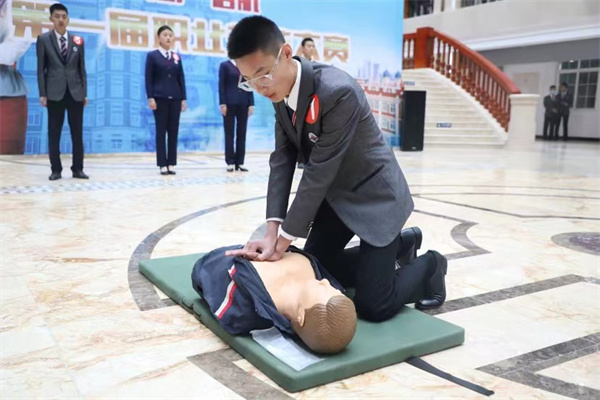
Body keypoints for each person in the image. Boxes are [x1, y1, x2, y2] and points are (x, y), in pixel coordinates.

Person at [224, 16, 447, 323]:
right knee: (316, 269)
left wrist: (283, 240)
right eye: (249, 80)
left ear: (286, 53)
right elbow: (283, 159)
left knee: (373, 306)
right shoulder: (279, 92)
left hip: (375, 196)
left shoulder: (338, 91)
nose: (260, 87)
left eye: (263, 74)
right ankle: (402, 244)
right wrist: (272, 227)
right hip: (337, 196)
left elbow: (319, 171)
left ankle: (431, 266)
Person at [192, 244, 357, 354]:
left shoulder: (245, 306)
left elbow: (205, 271)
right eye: (333, 289)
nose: (326, 282)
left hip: (226, 255)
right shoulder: (316, 277)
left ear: (301, 316)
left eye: (324, 289)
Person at [36, 3, 88, 181]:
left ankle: (78, 169)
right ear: (51, 18)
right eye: (57, 16)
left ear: (68, 19)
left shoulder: (77, 41)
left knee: (77, 133)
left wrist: (84, 93)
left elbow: (82, 70)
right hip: (54, 93)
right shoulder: (43, 40)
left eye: (64, 16)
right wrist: (43, 93)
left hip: (75, 93)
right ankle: (56, 169)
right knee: (54, 132)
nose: (61, 20)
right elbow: (41, 69)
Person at [145, 25, 187, 176]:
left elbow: (181, 78)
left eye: (170, 35)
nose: (168, 37)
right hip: (159, 98)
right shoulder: (153, 56)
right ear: (159, 38)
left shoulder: (176, 57)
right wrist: (151, 97)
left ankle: (171, 163)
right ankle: (162, 164)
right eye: (165, 35)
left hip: (175, 98)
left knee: (173, 131)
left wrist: (183, 98)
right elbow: (148, 78)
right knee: (161, 131)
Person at [219, 59, 254, 172]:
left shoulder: (246, 65)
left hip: (243, 103)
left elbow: (250, 84)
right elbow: (221, 85)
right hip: (229, 103)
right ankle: (230, 161)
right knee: (229, 133)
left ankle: (240, 162)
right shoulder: (225, 65)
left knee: (242, 133)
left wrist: (251, 103)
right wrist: (222, 103)